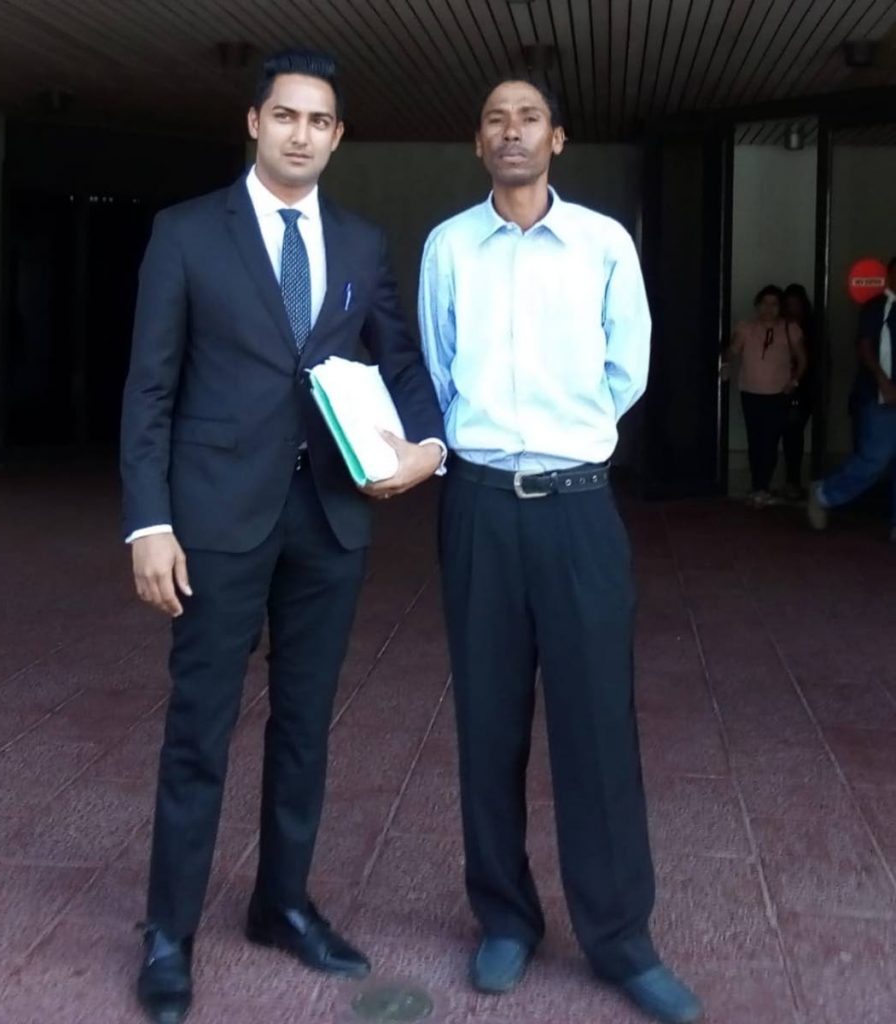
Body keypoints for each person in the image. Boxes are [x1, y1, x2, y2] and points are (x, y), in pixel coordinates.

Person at [121, 49, 445, 1024]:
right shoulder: (185, 236)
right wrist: (149, 521)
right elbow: (150, 390)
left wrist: (426, 444)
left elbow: (403, 361)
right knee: (200, 730)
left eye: (321, 120)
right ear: (254, 123)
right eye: (287, 116)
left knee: (305, 727)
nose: (303, 132)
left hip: (328, 522)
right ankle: (169, 931)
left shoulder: (357, 241)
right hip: (215, 521)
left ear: (337, 137)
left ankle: (282, 902)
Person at [418, 78, 702, 1024]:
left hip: (579, 509)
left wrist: (566, 440)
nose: (512, 132)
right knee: (488, 723)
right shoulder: (448, 247)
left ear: (558, 139)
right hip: (480, 508)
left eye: (528, 118)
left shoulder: (604, 247)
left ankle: (621, 938)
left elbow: (629, 369)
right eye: (495, 118)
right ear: (478, 142)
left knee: (597, 729)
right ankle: (505, 917)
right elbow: (438, 360)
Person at [808, 256, 896, 541]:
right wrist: (883, 381)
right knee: (875, 459)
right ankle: (825, 494)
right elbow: (865, 346)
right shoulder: (877, 307)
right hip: (880, 396)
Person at [723, 285, 807, 506]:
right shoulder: (746, 328)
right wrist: (726, 362)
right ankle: (757, 486)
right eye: (764, 303)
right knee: (755, 439)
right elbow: (732, 351)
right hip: (750, 391)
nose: (768, 308)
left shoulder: (790, 328)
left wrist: (794, 381)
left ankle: (763, 486)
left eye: (774, 304)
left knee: (770, 441)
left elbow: (803, 359)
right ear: (757, 305)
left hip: (778, 393)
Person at [781, 283, 817, 500]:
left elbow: (818, 360)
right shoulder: (780, 327)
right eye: (789, 304)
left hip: (805, 388)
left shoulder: (812, 328)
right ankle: (790, 481)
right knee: (787, 434)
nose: (793, 309)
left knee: (794, 434)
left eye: (796, 304)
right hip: (781, 386)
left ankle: (793, 480)